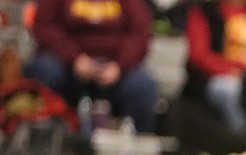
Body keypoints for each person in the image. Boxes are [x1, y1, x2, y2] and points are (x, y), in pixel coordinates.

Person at [24, 0, 158, 132]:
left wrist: (118, 66)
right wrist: (74, 58)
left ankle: (138, 146)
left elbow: (140, 34)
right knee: (43, 70)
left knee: (142, 86)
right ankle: (42, 138)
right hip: (66, 65)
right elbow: (44, 26)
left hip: (115, 70)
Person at [184, 0, 246, 134]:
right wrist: (231, 71)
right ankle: (242, 138)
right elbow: (198, 55)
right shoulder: (203, 12)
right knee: (230, 90)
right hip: (214, 77)